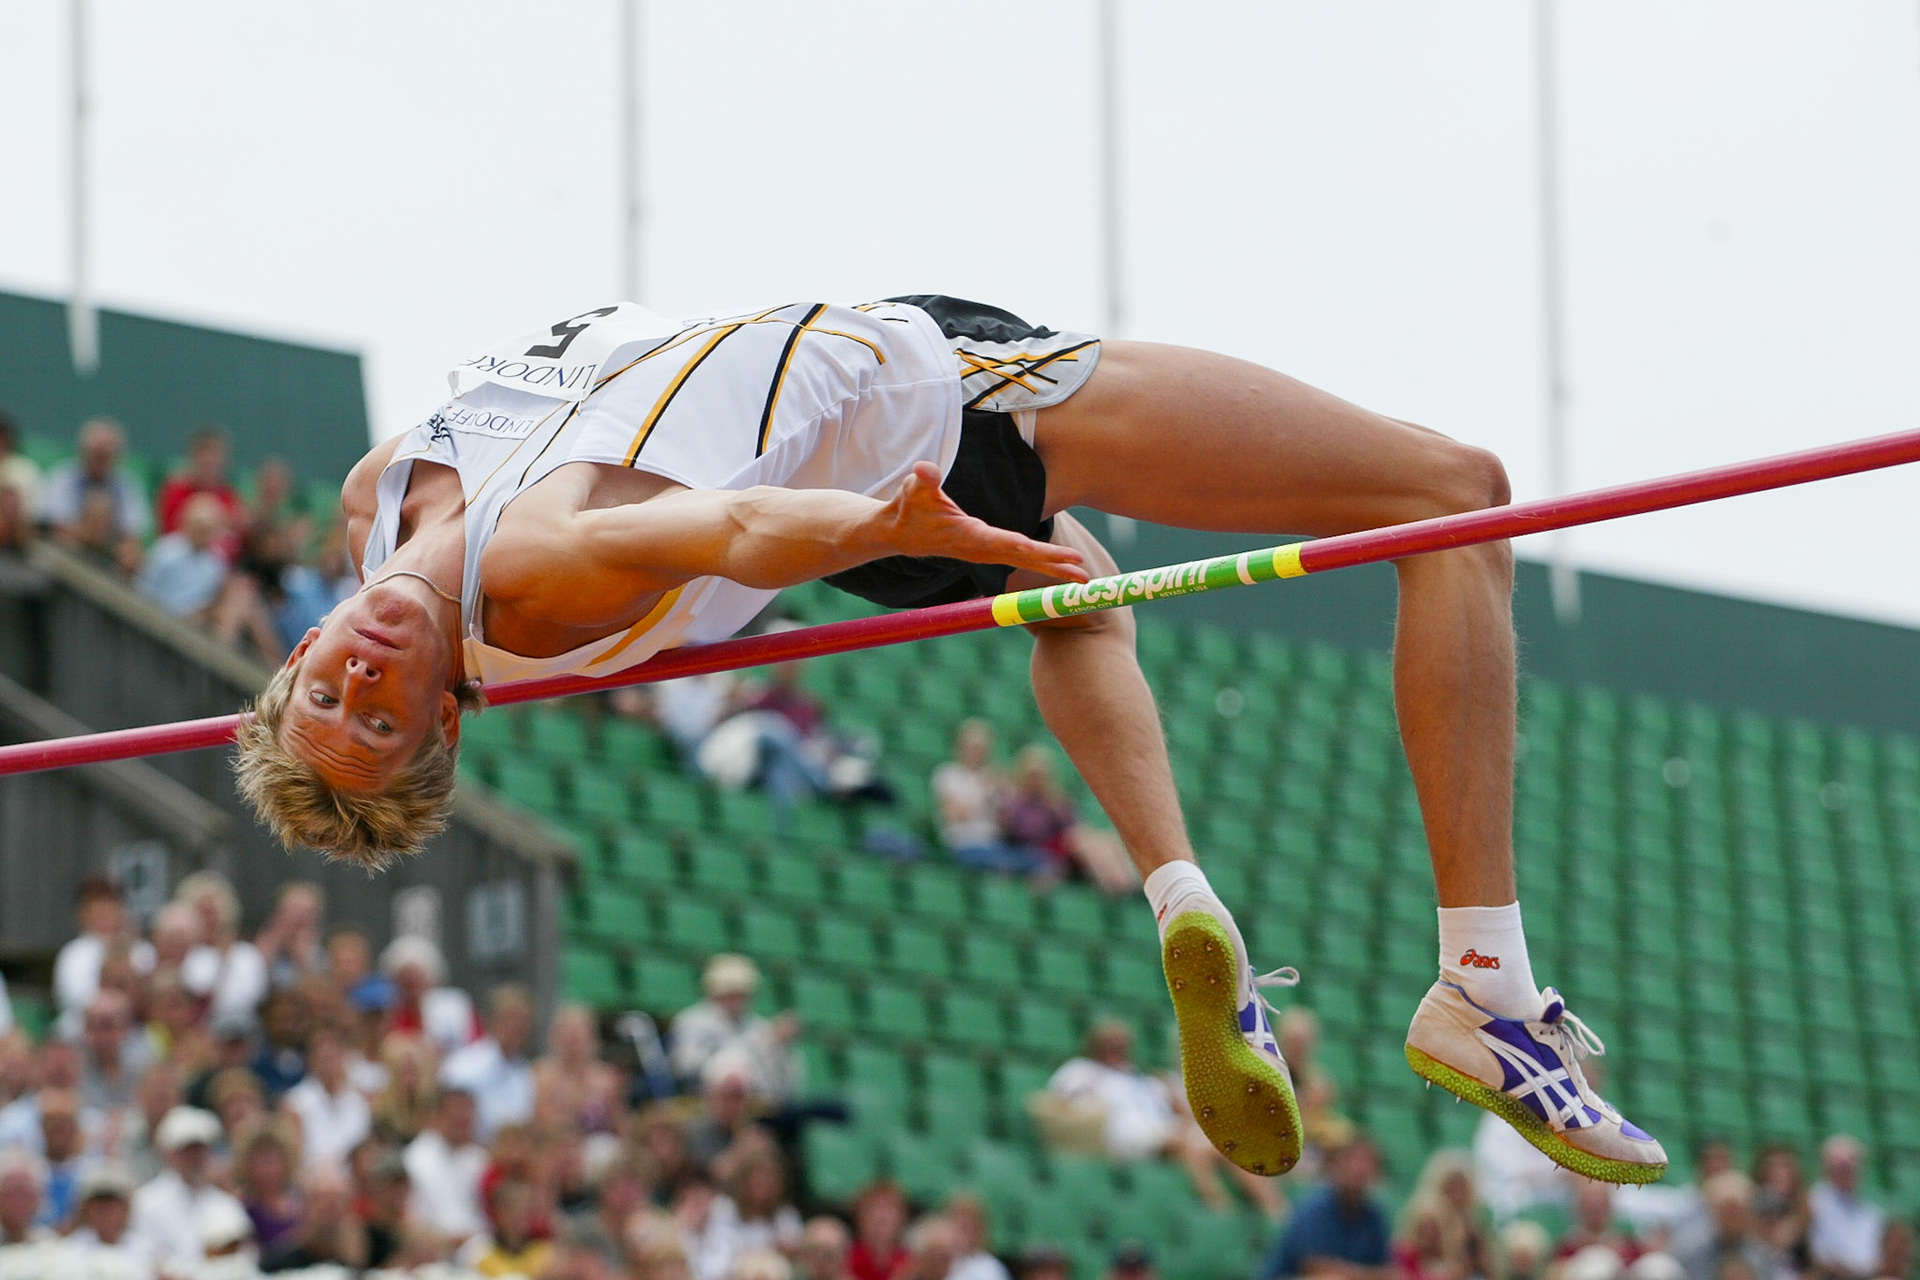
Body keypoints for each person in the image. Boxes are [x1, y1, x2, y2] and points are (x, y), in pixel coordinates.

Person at [233, 294, 1663, 1184]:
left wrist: (861, 525)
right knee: (1454, 494)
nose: (363, 686)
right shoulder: (532, 569)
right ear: (447, 716)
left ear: (298, 649)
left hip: (845, 464)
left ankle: (1185, 901)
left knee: (1080, 598)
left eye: (332, 697)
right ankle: (1485, 986)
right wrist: (882, 523)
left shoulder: (377, 499)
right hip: (929, 401)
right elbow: (723, 527)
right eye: (383, 721)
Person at [125, 1106, 245, 1272]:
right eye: (187, 1151)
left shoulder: (226, 1205)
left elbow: (241, 1260)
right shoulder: (146, 1201)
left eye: (200, 1150)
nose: (194, 1158)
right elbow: (139, 1256)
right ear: (169, 1153)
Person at [1255, 1136, 1393, 1280]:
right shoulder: (1314, 1208)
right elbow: (1313, 1267)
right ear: (1339, 1165)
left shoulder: (1373, 1215)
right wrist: (1364, 1274)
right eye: (1354, 1161)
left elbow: (1386, 1269)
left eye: (1368, 1163)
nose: (1360, 1169)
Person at [669, 956, 802, 1102]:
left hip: (753, 1104)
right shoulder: (693, 1021)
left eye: (742, 993)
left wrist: (778, 1046)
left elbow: (781, 1085)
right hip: (706, 1101)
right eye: (731, 992)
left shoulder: (759, 1027)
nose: (737, 999)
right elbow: (685, 1067)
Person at [41, 417, 149, 574]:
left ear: (118, 456)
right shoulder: (62, 478)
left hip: (108, 561)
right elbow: (56, 528)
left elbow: (131, 538)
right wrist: (92, 534)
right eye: (96, 453)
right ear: (82, 450)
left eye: (106, 454)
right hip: (64, 558)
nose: (100, 458)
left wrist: (124, 551)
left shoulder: (127, 487)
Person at [439, 982, 538, 1142]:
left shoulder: (525, 1071)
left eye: (523, 1020)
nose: (517, 1027)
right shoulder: (463, 1065)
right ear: (491, 1020)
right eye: (510, 1018)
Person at [402, 1085, 488, 1243]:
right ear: (438, 1115)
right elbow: (410, 1216)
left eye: (468, 1113)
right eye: (457, 1113)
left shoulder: (480, 1159)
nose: (464, 1118)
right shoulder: (416, 1158)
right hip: (431, 1244)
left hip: (478, 1245)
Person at [280, 1022, 370, 1172]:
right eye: (323, 1058)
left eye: (333, 1057)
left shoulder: (360, 1100)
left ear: (343, 1058)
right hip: (312, 1180)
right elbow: (294, 1157)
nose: (329, 1064)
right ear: (311, 1062)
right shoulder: (295, 1102)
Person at [1667, 1171, 1777, 1280]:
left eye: (1739, 1210)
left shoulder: (1761, 1254)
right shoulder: (1689, 1251)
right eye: (1728, 1211)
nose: (1734, 1218)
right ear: (1713, 1211)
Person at [1810, 1136, 1885, 1280]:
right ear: (1826, 1167)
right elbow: (1819, 1256)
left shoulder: (1871, 1214)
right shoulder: (1813, 1203)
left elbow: (1877, 1261)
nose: (1847, 1170)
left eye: (1851, 1165)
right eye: (1841, 1166)